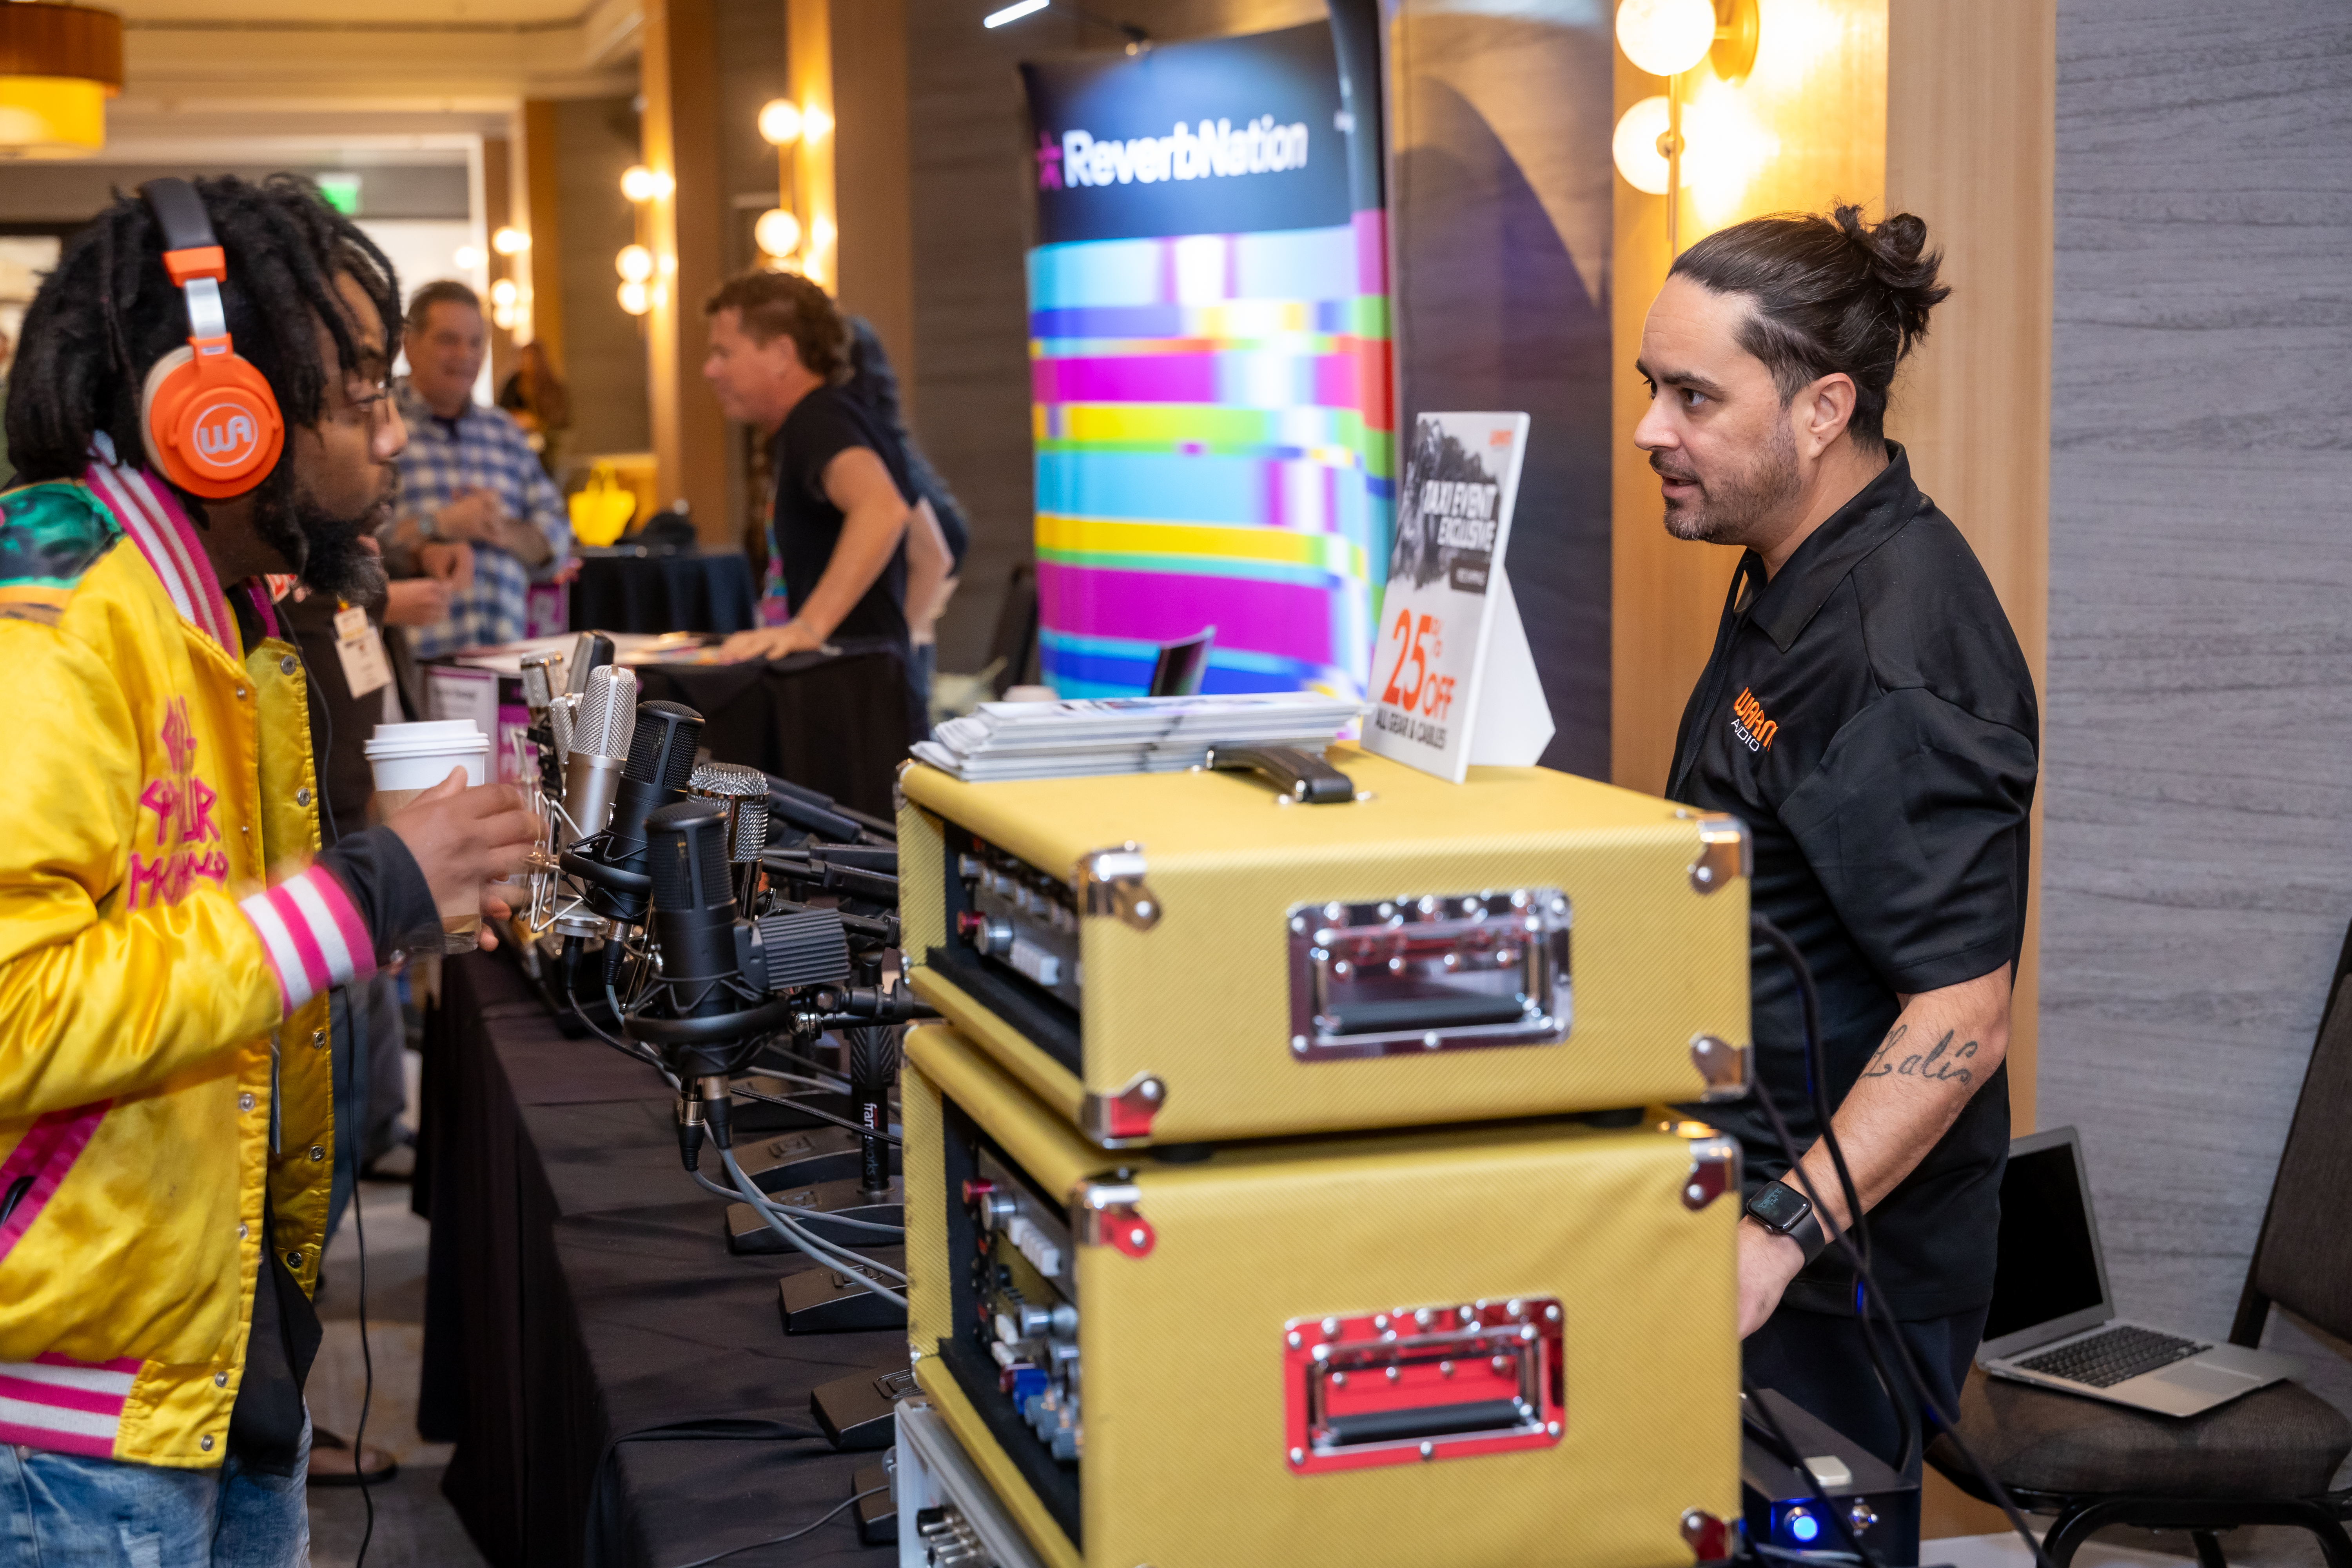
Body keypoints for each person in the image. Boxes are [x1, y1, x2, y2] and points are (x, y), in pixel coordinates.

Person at [0, 173, 539, 1562]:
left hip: (217, 1348)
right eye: (361, 396)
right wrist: (361, 898)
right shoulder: (52, 617)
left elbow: (218, 954)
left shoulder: (227, 616)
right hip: (71, 1420)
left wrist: (405, 889)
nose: (394, 436)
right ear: (220, 418)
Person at [1634, 206, 2037, 1551]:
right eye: (1654, 390)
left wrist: (1777, 1236)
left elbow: (1961, 1020)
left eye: (1696, 396)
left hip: (1833, 1267)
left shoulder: (1892, 652)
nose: (1652, 431)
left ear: (1823, 410)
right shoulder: (1788, 573)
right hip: (1756, 1215)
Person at [701, 272, 918, 727]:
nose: (711, 370)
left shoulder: (816, 421)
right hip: (872, 688)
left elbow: (883, 509)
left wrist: (810, 627)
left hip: (850, 702)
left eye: (724, 353)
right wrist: (888, 649)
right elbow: (931, 552)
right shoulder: (851, 414)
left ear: (782, 354)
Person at [383, 280, 574, 657]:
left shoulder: (504, 431)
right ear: (409, 345)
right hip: (414, 666)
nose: (465, 355)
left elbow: (559, 538)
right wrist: (437, 525)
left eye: (476, 343)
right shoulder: (380, 423)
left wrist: (500, 529)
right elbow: (354, 550)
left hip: (507, 662)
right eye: (448, 340)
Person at [845, 316, 968, 708]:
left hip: (903, 642)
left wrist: (897, 647)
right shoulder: (885, 444)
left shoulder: (868, 452)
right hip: (908, 633)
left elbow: (939, 554)